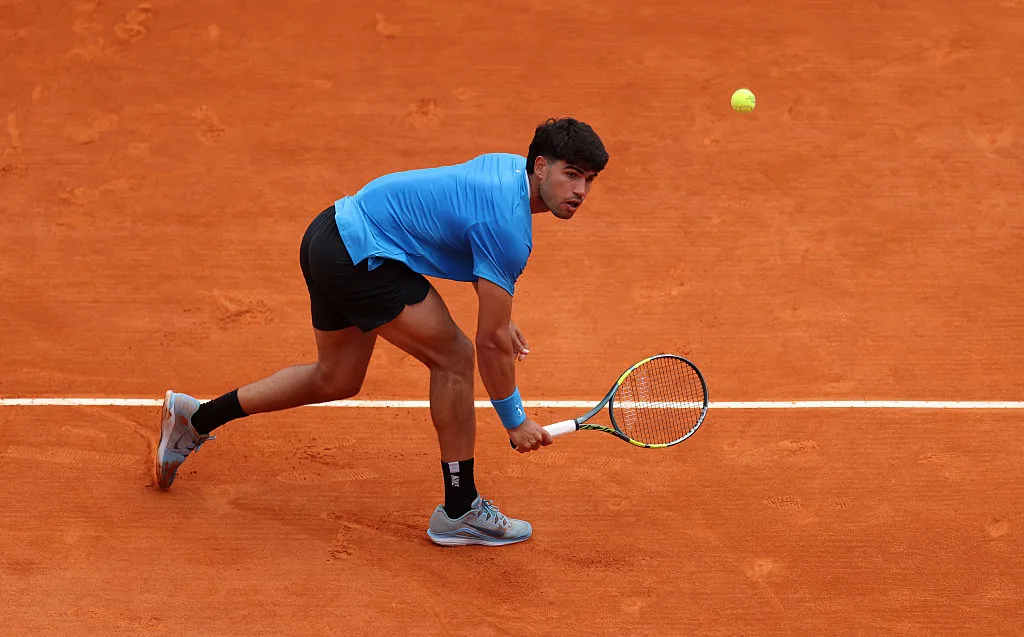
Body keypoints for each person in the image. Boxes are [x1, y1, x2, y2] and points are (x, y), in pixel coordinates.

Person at [157, 117, 609, 546]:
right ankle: (459, 510)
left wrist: (498, 310)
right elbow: (491, 343)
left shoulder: (505, 170)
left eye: (589, 179)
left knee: (335, 378)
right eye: (571, 175)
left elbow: (469, 230)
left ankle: (195, 418)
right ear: (541, 167)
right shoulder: (511, 230)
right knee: (454, 356)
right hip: (363, 256)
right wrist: (516, 421)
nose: (580, 190)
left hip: (329, 235)